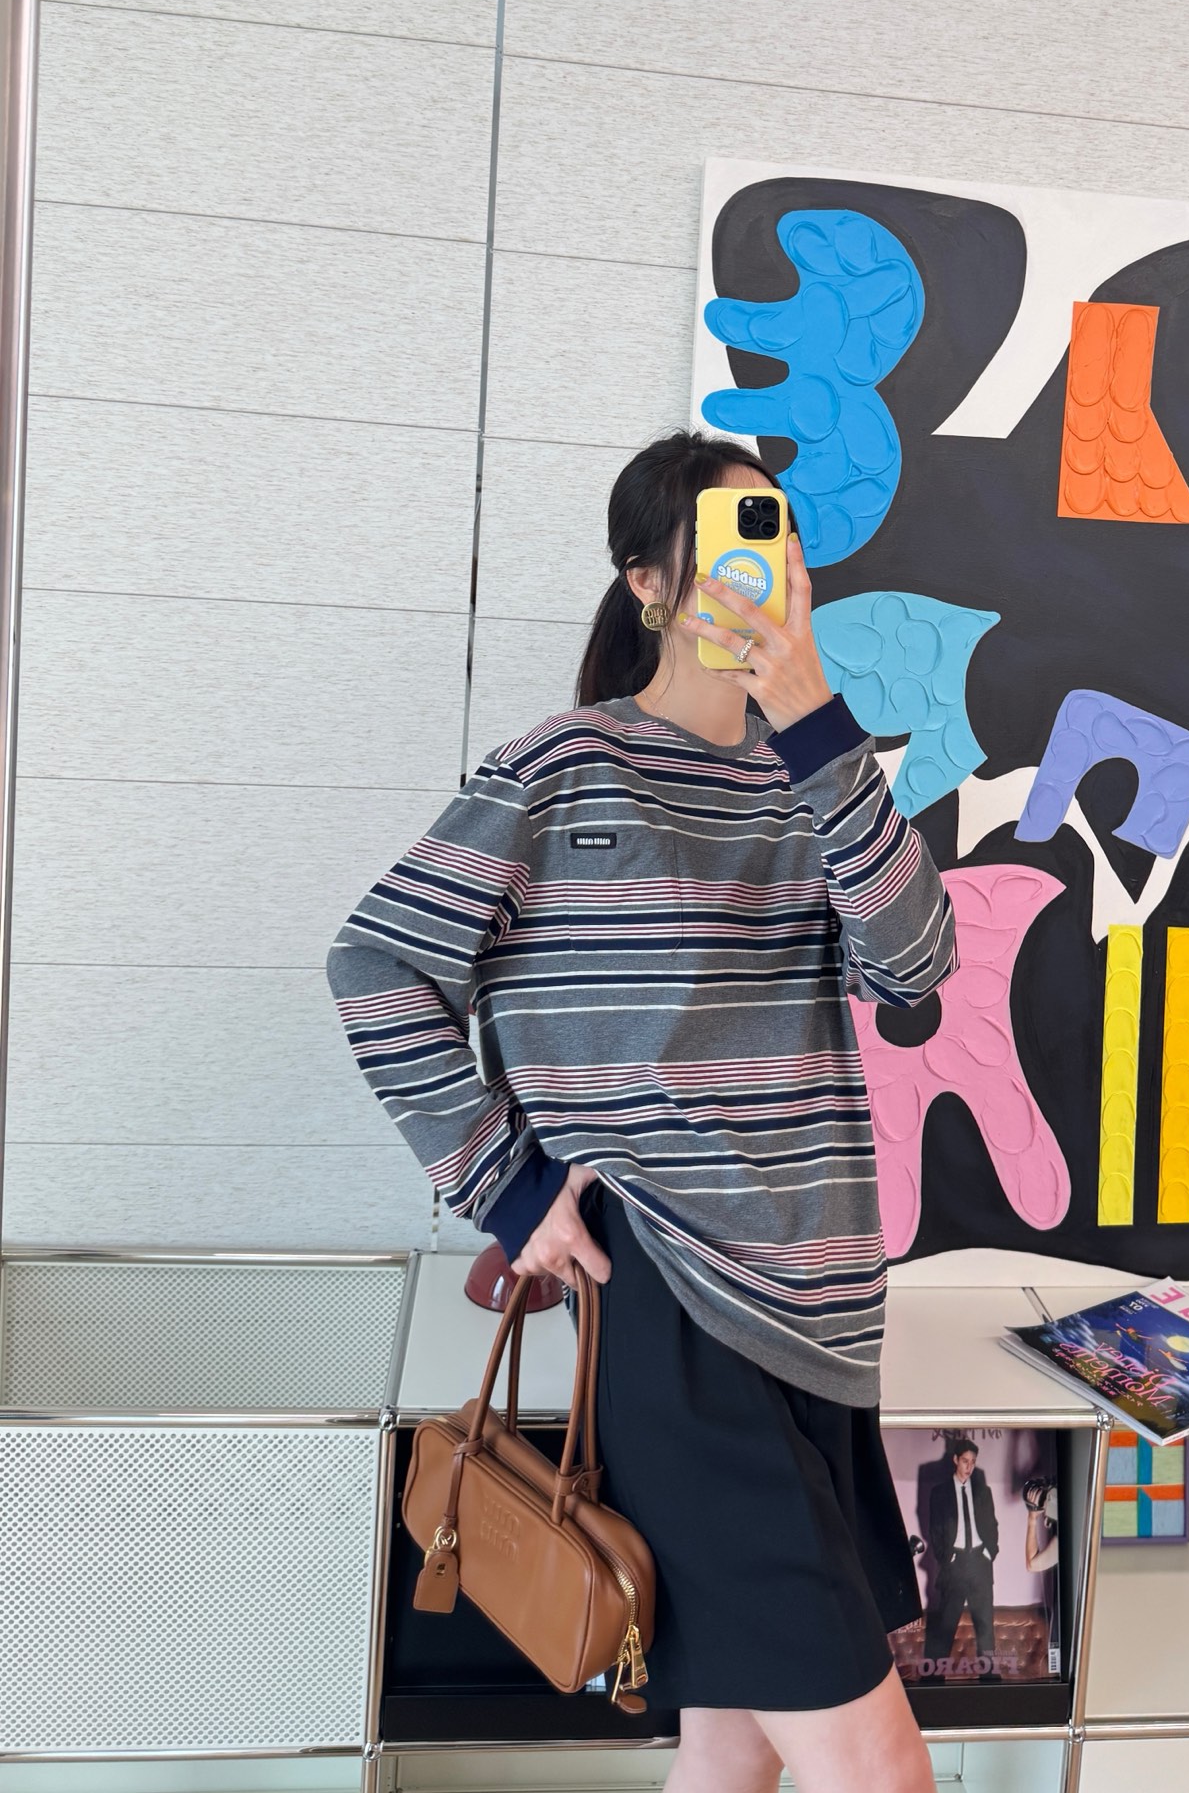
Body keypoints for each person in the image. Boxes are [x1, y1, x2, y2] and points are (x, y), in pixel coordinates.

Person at [326, 429, 959, 1793]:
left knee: (734, 1749)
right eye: (728, 541)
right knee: (878, 1768)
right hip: (674, 1307)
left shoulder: (819, 775)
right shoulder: (560, 767)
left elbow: (915, 967)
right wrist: (511, 1189)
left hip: (825, 1314)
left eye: (778, 539)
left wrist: (820, 725)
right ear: (649, 582)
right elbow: (376, 963)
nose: (761, 569)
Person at [922, 1438, 999, 1674]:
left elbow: (992, 1525)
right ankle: (933, 1684)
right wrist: (947, 1558)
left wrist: (989, 1552)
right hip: (954, 1564)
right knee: (945, 1627)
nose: (969, 1467)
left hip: (980, 1563)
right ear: (955, 1460)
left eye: (973, 1462)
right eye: (965, 1461)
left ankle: (991, 1685)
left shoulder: (983, 1491)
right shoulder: (940, 1493)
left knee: (985, 1629)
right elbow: (935, 1529)